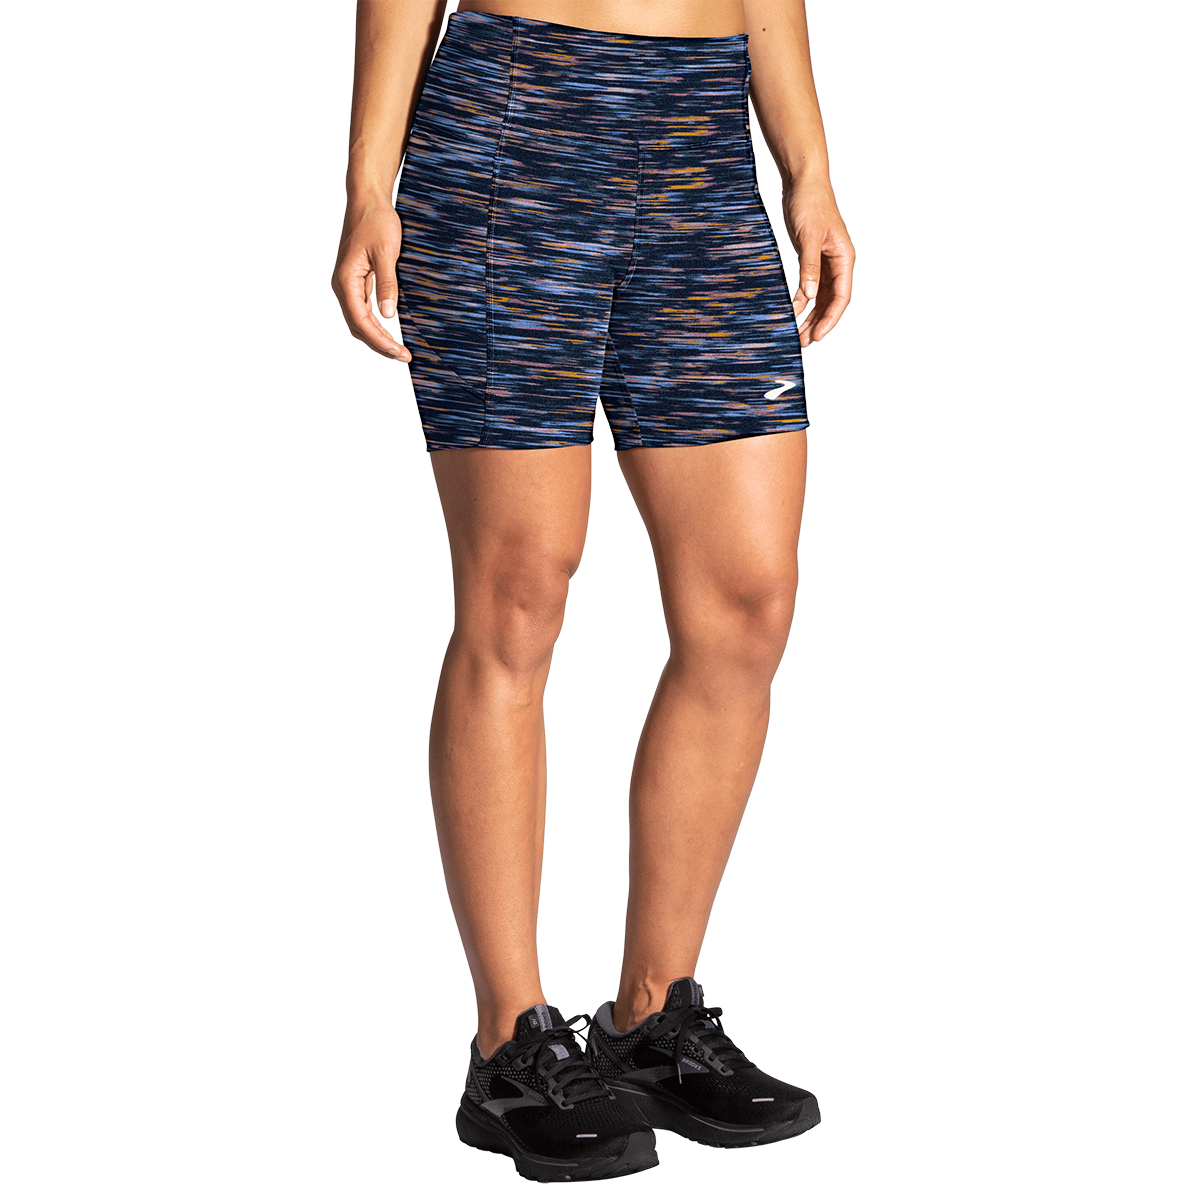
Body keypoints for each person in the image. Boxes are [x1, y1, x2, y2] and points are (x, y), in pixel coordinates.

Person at [332, 0, 854, 1182]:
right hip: (516, 128)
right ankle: (510, 1046)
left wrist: (809, 168)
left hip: (703, 143)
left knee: (744, 605)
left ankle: (651, 1020)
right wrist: (369, 182)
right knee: (518, 593)